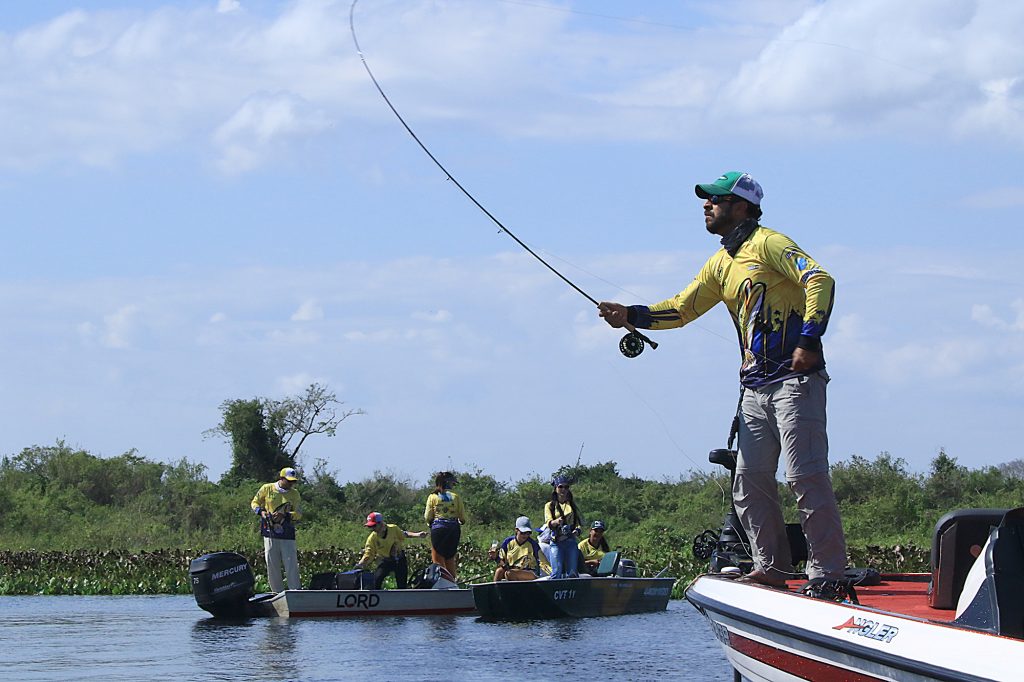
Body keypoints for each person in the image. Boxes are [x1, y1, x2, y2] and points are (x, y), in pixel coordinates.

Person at [598, 170, 847, 589]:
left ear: (742, 206)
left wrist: (809, 338)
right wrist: (632, 315)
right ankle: (773, 570)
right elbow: (680, 310)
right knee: (749, 483)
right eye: (707, 200)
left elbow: (819, 279)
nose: (706, 205)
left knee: (805, 476)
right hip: (753, 388)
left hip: (794, 381)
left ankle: (827, 572)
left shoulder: (768, 243)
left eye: (716, 199)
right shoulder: (720, 263)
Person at [250, 467, 303, 592]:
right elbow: (254, 502)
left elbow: (299, 513)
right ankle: (276, 593)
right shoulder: (267, 488)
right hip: (270, 531)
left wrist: (286, 515)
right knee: (272, 563)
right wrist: (261, 512)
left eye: (293, 481)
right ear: (281, 478)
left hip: (287, 532)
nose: (291, 484)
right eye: (289, 481)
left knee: (291, 562)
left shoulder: (295, 494)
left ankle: (295, 590)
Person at [355, 511, 427, 589]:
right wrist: (360, 564)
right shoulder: (372, 538)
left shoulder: (393, 528)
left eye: (374, 526)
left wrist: (418, 534)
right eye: (370, 526)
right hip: (385, 561)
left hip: (399, 559)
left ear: (380, 523)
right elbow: (368, 554)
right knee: (376, 580)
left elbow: (404, 534)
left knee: (402, 585)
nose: (372, 529)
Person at [424, 471, 466, 580]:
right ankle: (452, 581)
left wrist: (430, 523)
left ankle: (440, 581)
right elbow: (462, 517)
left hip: (439, 529)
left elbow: (428, 516)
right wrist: (460, 521)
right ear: (448, 483)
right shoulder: (456, 497)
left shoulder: (433, 497)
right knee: (450, 557)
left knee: (437, 557)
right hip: (453, 529)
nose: (453, 486)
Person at [543, 476, 583, 578]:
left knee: (572, 573)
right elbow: (548, 522)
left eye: (566, 487)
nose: (563, 490)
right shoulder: (550, 506)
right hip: (556, 542)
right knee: (556, 572)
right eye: (561, 487)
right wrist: (556, 522)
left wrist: (576, 531)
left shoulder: (572, 505)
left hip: (570, 542)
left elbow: (578, 524)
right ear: (555, 488)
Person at [494, 516, 549, 581]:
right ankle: (495, 590)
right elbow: (501, 559)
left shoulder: (533, 544)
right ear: (516, 530)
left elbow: (543, 562)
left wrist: (552, 574)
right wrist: (495, 557)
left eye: (528, 533)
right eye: (523, 533)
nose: (525, 535)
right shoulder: (507, 542)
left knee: (510, 574)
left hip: (530, 572)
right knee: (499, 571)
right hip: (511, 570)